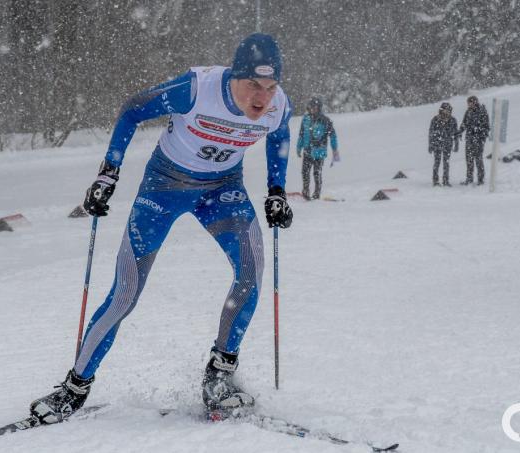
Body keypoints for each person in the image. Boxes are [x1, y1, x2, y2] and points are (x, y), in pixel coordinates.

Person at [29, 33, 294, 424]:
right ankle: (74, 388)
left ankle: (217, 380)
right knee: (126, 293)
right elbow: (133, 108)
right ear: (234, 76)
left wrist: (276, 191)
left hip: (222, 190)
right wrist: (108, 174)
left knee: (251, 274)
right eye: (253, 85)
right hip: (165, 187)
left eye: (270, 87)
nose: (262, 97)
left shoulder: (277, 106)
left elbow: (281, 135)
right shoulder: (196, 88)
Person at [296, 97, 338, 200]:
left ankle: (316, 193)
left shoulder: (325, 120)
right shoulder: (305, 119)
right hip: (307, 151)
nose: (312, 109)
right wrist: (299, 147)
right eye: (311, 107)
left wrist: (334, 148)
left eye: (315, 107)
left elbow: (333, 135)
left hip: (319, 152)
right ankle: (305, 191)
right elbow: (301, 134)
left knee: (317, 173)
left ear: (319, 108)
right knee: (305, 172)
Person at [458, 95, 490, 185]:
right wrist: (460, 131)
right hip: (469, 139)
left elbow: (487, 127)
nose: (469, 105)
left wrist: (479, 134)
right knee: (469, 160)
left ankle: (481, 179)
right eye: (468, 104)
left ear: (475, 102)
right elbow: (464, 123)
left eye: (470, 103)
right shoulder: (468, 112)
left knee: (478, 160)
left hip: (479, 140)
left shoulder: (482, 112)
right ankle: (469, 179)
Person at [428, 102, 459, 187]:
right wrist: (430, 145)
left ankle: (446, 180)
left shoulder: (453, 120)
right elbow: (431, 133)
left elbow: (456, 133)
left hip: (448, 144)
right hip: (437, 144)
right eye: (446, 110)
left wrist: (456, 144)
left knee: (446, 163)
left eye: (449, 110)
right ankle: (435, 180)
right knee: (437, 163)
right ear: (442, 110)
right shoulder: (435, 119)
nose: (447, 112)